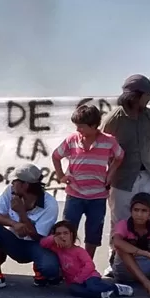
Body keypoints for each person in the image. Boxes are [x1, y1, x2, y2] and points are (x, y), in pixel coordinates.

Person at [101, 75, 150, 267]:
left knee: (148, 218)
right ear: (136, 95)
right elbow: (103, 147)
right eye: (147, 94)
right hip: (122, 177)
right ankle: (115, 261)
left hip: (148, 174)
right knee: (120, 220)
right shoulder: (114, 118)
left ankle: (149, 260)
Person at [52, 104, 124, 258]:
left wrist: (110, 175)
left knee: (93, 232)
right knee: (67, 230)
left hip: (97, 196)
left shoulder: (109, 141)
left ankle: (87, 262)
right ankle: (68, 261)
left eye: (81, 127)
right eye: (77, 126)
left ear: (93, 126)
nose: (78, 130)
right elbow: (56, 156)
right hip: (74, 195)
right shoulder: (72, 139)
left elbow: (119, 157)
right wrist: (61, 176)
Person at [0, 163, 62, 291]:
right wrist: (14, 224)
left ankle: (40, 269)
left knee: (50, 270)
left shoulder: (50, 204)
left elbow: (38, 237)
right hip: (14, 240)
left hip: (36, 245)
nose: (12, 184)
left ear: (25, 185)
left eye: (15, 181)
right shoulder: (10, 191)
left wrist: (21, 213)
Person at [40, 220, 133, 298]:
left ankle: (116, 288)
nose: (62, 236)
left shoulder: (78, 251)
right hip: (74, 282)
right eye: (58, 234)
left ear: (72, 235)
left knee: (92, 286)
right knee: (74, 290)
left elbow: (90, 265)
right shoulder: (58, 249)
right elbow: (43, 243)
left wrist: (80, 278)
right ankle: (103, 294)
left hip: (89, 276)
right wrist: (53, 238)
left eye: (65, 233)